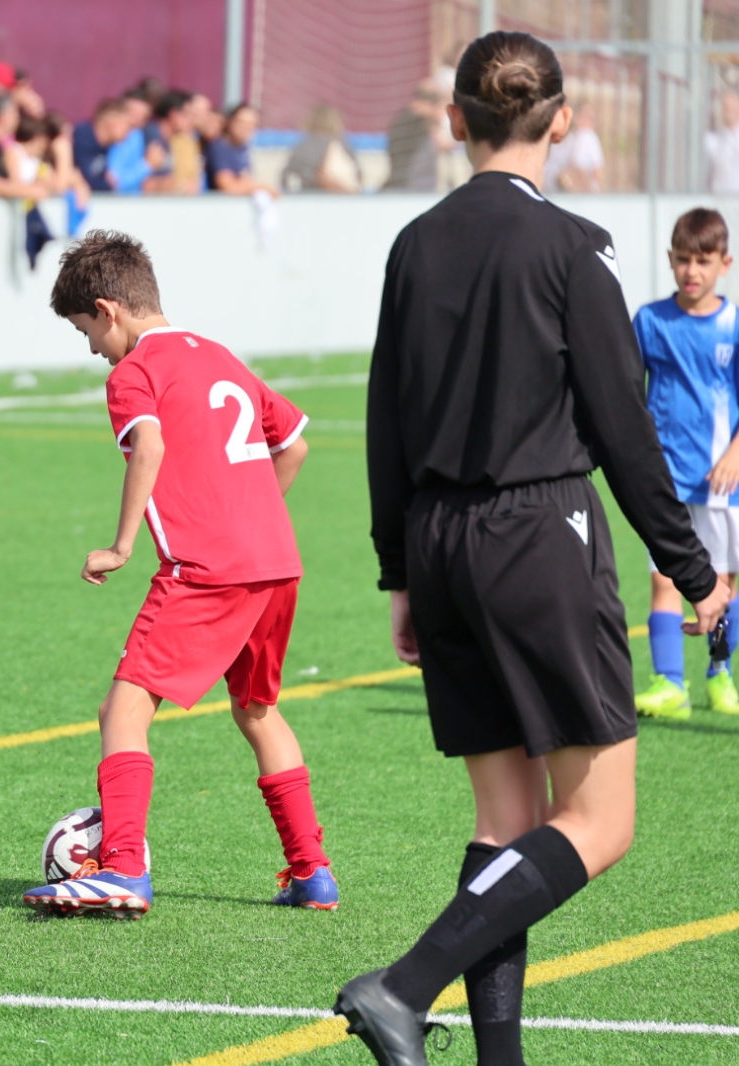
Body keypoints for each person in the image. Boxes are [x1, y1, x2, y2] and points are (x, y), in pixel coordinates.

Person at [343, 32, 727, 1066]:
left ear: (454, 121)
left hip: (439, 539)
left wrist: (399, 571)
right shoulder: (573, 244)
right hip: (536, 535)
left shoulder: (415, 243)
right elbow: (621, 427)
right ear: (562, 121)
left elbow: (385, 419)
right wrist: (694, 570)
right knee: (600, 822)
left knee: (505, 824)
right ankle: (400, 988)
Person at [22, 231, 335, 917]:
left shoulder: (133, 373)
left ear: (107, 310)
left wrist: (121, 545)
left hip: (207, 569)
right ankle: (312, 871)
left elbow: (150, 446)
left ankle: (122, 867)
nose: (93, 349)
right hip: (274, 564)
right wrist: (248, 517)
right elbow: (295, 446)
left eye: (85, 332)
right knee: (257, 711)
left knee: (123, 710)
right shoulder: (219, 355)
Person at [631, 209, 739, 719]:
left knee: (722, 583)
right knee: (665, 579)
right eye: (682, 260)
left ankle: (720, 675)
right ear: (669, 260)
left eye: (703, 260)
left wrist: (735, 453)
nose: (691, 271)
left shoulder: (733, 324)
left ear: (724, 264)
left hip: (720, 481)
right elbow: (627, 392)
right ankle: (669, 684)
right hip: (666, 479)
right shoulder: (650, 321)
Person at [281, 103, 362, 193]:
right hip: (342, 197)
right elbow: (358, 176)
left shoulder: (302, 146)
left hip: (309, 196)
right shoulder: (343, 145)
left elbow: (286, 177)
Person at [383, 81, 448, 192]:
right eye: (442, 108)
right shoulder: (410, 121)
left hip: (417, 190)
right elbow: (420, 112)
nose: (443, 115)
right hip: (407, 190)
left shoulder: (422, 126)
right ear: (428, 105)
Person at [207, 104, 274, 195]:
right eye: (242, 122)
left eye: (251, 124)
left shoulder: (243, 148)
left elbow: (246, 180)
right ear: (231, 121)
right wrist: (260, 188)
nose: (246, 127)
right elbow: (228, 187)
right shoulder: (220, 147)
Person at [71, 98, 134, 193]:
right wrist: (107, 184)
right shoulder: (82, 138)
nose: (129, 131)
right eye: (126, 125)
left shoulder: (108, 147)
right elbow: (87, 180)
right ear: (111, 124)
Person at [543, 100, 603, 192]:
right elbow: (585, 171)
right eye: (587, 117)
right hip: (577, 195)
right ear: (575, 117)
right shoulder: (586, 136)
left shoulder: (560, 140)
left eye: (592, 118)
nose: (591, 122)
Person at [708, 92, 739, 195]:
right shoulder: (712, 139)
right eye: (726, 109)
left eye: (733, 108)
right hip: (719, 196)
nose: (729, 113)